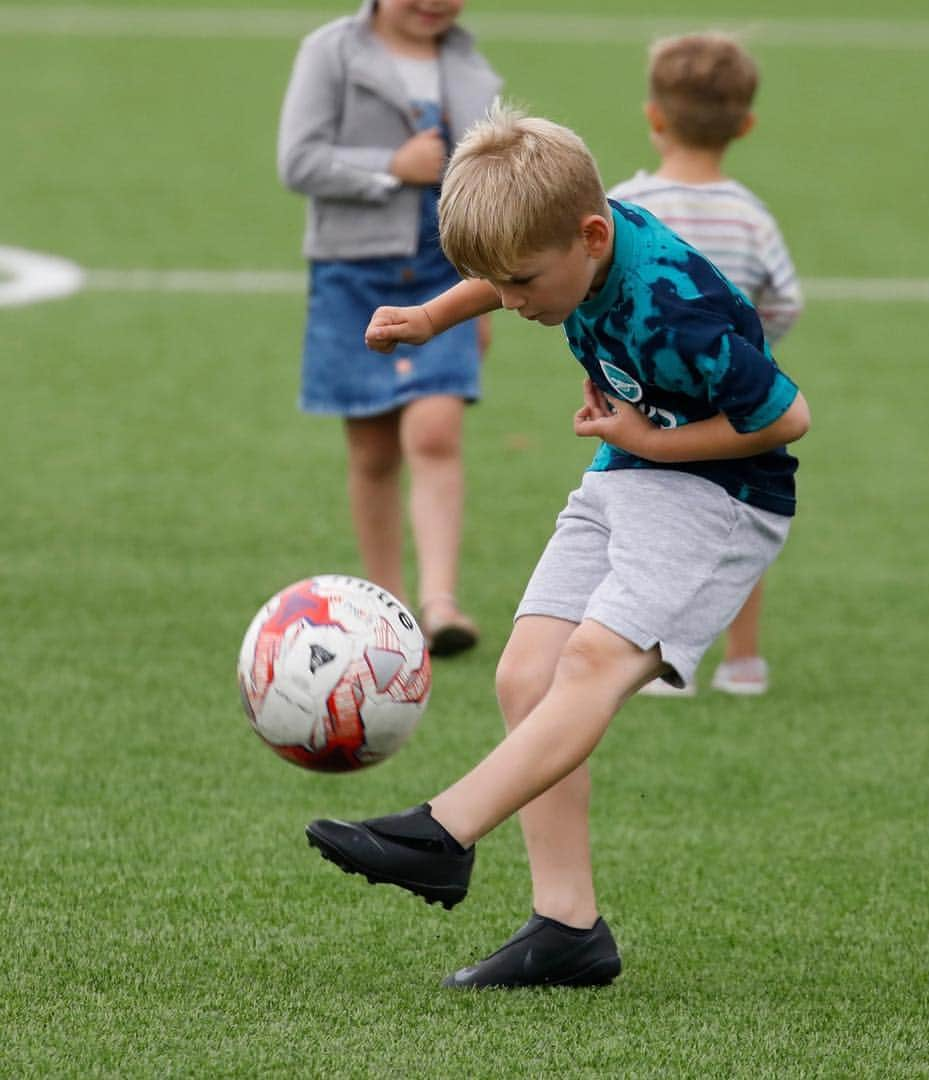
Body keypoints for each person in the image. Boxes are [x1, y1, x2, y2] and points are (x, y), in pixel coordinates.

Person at [305, 104, 810, 989]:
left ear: (589, 235)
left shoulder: (674, 307)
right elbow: (505, 269)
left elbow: (783, 418)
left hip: (721, 495)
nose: (513, 303)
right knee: (523, 674)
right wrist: (433, 315)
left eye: (523, 284)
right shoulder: (569, 241)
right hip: (630, 469)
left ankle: (444, 833)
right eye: (495, 286)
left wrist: (652, 444)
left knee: (588, 667)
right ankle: (568, 927)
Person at [277, 0, 501, 655]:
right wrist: (389, 168)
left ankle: (441, 602)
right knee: (373, 452)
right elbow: (299, 160)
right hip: (353, 274)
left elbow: (485, 186)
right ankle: (387, 605)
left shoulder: (468, 62)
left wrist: (480, 298)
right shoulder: (330, 52)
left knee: (435, 432)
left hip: (443, 270)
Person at [610, 32, 804, 697]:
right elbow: (784, 300)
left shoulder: (628, 208)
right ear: (745, 125)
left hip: (650, 399)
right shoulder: (751, 216)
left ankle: (663, 663)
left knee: (653, 525)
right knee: (735, 522)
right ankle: (742, 661)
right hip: (736, 401)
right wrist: (753, 346)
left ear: (654, 116)